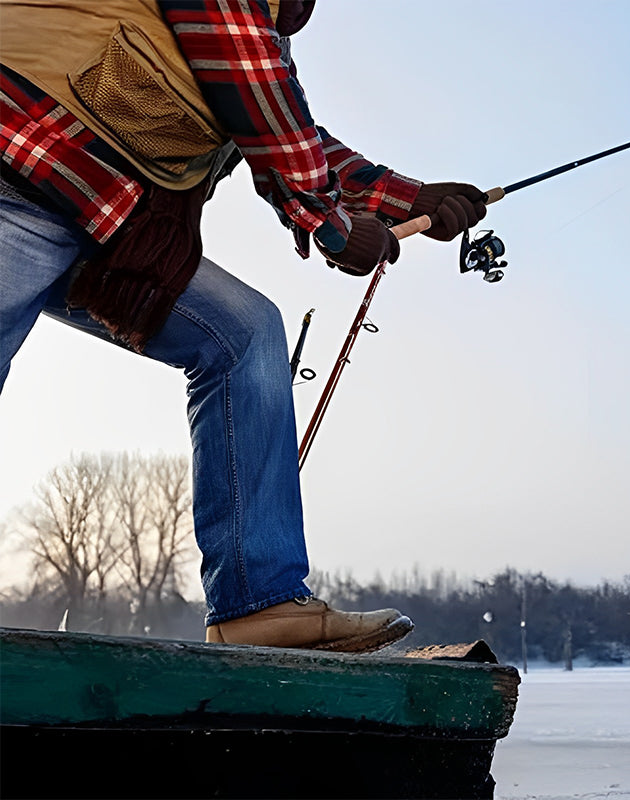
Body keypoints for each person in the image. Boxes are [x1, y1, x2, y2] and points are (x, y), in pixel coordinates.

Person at [0, 0, 486, 652]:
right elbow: (246, 75)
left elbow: (277, 125)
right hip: (19, 164)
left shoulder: (254, 47)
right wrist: (331, 225)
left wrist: (412, 201)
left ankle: (258, 604)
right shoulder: (234, 26)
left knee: (244, 334)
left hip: (97, 216)